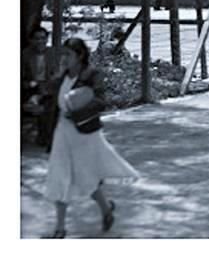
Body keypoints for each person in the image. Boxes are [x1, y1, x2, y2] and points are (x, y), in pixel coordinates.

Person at [44, 37, 139, 238]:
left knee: (85, 178)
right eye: (62, 54)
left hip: (84, 133)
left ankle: (106, 210)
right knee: (58, 176)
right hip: (62, 131)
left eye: (68, 55)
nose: (64, 58)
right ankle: (60, 229)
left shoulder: (91, 75)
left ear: (79, 56)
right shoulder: (62, 77)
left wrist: (77, 111)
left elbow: (100, 101)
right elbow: (49, 93)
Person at [22, 27, 57, 147]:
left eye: (43, 38)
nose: (40, 41)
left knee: (50, 102)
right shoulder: (25, 54)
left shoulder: (52, 53)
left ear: (47, 39)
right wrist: (29, 83)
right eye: (37, 38)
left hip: (48, 87)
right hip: (30, 87)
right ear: (31, 40)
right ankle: (44, 136)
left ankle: (46, 136)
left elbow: (56, 74)